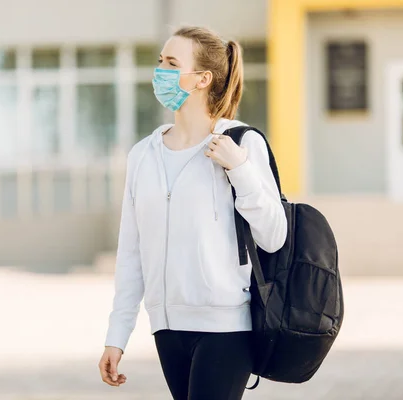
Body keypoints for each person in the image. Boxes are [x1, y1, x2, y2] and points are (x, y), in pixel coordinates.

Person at [98, 26, 287, 400]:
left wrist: (240, 170)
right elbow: (131, 253)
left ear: (203, 78)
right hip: (167, 327)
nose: (160, 72)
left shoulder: (240, 143)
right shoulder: (143, 156)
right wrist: (117, 336)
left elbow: (274, 234)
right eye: (160, 62)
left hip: (226, 325)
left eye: (172, 63)